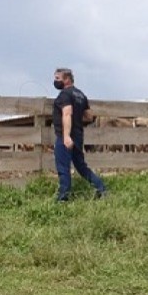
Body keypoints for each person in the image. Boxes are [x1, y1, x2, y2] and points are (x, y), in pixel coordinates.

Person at [52, 68, 106, 202]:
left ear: (67, 79)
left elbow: (67, 113)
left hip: (66, 137)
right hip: (78, 136)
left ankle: (63, 197)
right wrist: (77, 118)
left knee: (63, 167)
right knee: (81, 167)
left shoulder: (65, 94)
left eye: (58, 78)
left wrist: (66, 136)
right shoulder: (80, 95)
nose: (55, 81)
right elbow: (89, 116)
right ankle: (101, 188)